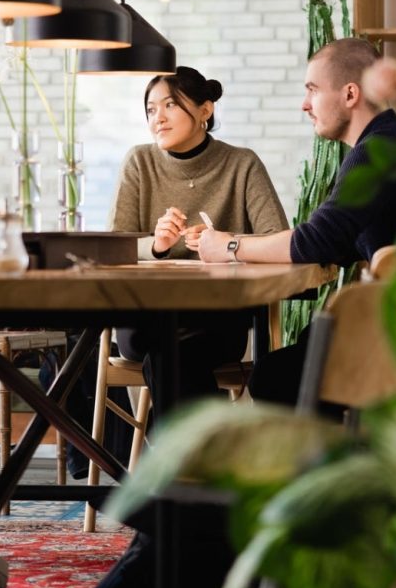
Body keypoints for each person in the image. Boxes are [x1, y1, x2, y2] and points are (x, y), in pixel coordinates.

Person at [194, 38, 396, 405]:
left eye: (312, 90)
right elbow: (335, 241)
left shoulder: (378, 151)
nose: (304, 105)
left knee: (274, 375)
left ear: (350, 94)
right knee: (296, 357)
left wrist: (228, 246)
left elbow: (317, 241)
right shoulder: (392, 142)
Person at [109, 66, 289, 407]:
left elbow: (276, 239)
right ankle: (199, 455)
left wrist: (225, 242)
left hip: (215, 318)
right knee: (172, 354)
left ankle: (175, 456)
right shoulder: (139, 162)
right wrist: (156, 246)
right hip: (146, 315)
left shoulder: (241, 164)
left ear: (205, 110)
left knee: (173, 357)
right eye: (150, 109)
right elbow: (114, 245)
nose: (157, 118)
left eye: (170, 105)